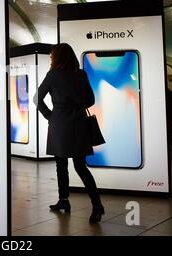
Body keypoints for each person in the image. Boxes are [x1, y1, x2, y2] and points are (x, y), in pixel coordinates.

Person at [34, 43, 104, 224]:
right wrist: (77, 106)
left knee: (61, 164)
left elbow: (37, 99)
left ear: (57, 57)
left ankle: (64, 200)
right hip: (79, 123)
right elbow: (91, 100)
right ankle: (96, 205)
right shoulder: (81, 74)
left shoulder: (52, 75)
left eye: (52, 55)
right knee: (81, 167)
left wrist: (50, 115)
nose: (51, 58)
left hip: (59, 125)